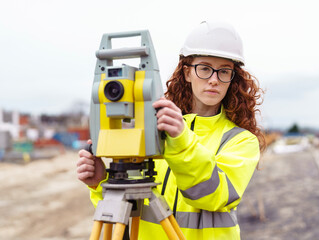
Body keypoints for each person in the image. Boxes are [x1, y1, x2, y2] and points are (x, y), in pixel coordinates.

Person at [77, 21, 265, 240]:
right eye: (204, 68)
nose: (214, 80)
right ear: (187, 73)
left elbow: (215, 196)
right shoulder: (155, 130)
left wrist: (181, 138)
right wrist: (101, 183)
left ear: (232, 79)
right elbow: (125, 213)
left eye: (224, 72)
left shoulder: (241, 141)